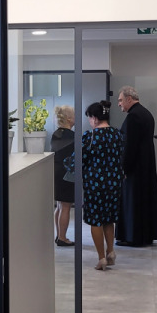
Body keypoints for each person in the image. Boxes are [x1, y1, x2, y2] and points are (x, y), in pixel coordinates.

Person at [115, 85, 157, 247]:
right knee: (145, 201)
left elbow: (130, 146)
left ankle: (133, 237)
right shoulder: (146, 114)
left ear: (129, 99)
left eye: (120, 100)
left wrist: (124, 168)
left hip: (135, 167)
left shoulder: (133, 117)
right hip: (146, 165)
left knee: (133, 202)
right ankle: (146, 235)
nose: (119, 104)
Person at [81, 100, 124, 270]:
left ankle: (101, 258)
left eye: (89, 118)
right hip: (114, 182)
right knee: (108, 219)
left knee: (96, 221)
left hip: (95, 184)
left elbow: (79, 158)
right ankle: (111, 252)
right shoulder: (117, 134)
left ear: (95, 118)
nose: (90, 122)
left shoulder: (90, 136)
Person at [50, 104, 76, 246]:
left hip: (56, 170)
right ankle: (62, 238)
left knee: (60, 205)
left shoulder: (55, 134)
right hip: (67, 173)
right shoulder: (72, 136)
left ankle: (59, 235)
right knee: (66, 206)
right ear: (69, 119)